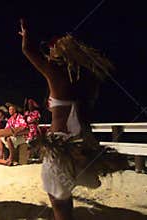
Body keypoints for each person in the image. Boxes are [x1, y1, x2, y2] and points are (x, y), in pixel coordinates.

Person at [19, 18, 116, 220]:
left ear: (59, 56)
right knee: (66, 195)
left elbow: (29, 51)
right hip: (83, 143)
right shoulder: (89, 81)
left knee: (58, 200)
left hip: (60, 146)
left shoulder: (57, 75)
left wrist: (26, 34)